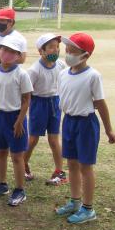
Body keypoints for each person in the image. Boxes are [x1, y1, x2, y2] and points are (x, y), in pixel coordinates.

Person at [54, 33, 115, 224]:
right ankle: (75, 201)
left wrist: (109, 129)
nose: (68, 54)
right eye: (67, 50)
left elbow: (100, 103)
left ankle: (88, 208)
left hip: (86, 124)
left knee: (85, 166)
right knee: (72, 163)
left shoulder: (93, 76)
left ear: (85, 55)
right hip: (69, 122)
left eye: (73, 51)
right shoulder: (63, 73)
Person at [0, 34, 32, 207]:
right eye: (4, 49)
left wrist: (20, 121)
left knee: (17, 156)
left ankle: (20, 190)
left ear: (18, 56)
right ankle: (2, 184)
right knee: (1, 152)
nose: (7, 54)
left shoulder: (21, 74)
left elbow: (26, 99)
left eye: (13, 51)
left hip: (15, 117)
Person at [0, 7, 27, 155]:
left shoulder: (19, 38)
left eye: (3, 21)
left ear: (11, 22)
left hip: (12, 77)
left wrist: (4, 57)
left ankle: (14, 134)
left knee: (12, 106)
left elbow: (22, 59)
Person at [23, 33, 67, 185]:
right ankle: (23, 165)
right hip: (38, 104)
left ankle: (59, 171)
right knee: (33, 138)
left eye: (57, 47)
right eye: (51, 47)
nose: (55, 50)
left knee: (54, 139)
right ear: (41, 51)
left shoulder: (61, 65)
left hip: (55, 103)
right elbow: (27, 93)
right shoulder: (34, 70)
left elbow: (64, 84)